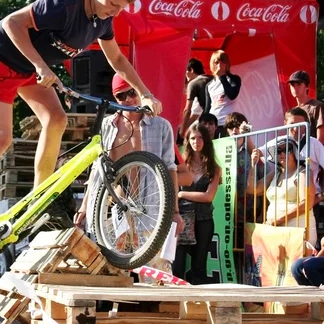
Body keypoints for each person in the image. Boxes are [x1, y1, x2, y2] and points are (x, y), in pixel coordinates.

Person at [0, 0, 162, 266]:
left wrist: (144, 92)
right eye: (113, 3)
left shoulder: (103, 20)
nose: (115, 11)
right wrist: (41, 65)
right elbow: (13, 23)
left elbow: (116, 58)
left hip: (26, 70)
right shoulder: (63, 2)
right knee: (0, 136)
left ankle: (41, 198)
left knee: (57, 119)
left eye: (122, 7)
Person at [74, 74, 184, 283]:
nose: (128, 99)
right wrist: (83, 207)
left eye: (132, 92)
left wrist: (175, 211)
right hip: (113, 207)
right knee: (112, 272)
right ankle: (116, 312)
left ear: (140, 91)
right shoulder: (108, 125)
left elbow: (170, 168)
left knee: (157, 272)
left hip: (151, 208)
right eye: (121, 96)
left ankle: (160, 312)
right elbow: (98, 170)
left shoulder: (161, 126)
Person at [173, 122, 221, 285]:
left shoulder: (215, 168)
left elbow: (208, 197)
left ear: (206, 140)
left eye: (200, 138)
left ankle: (197, 306)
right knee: (177, 265)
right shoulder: (180, 165)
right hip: (182, 219)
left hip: (204, 220)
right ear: (188, 141)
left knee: (199, 267)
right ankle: (174, 305)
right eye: (193, 138)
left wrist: (181, 193)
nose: (196, 141)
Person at [248, 138, 317, 245]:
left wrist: (278, 220)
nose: (282, 154)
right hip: (275, 232)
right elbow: (253, 189)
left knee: (296, 263)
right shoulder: (275, 173)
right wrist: (253, 165)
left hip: (298, 233)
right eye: (279, 151)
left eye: (287, 150)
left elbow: (306, 204)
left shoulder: (303, 173)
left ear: (295, 152)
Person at [204, 50, 242, 137]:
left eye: (222, 63)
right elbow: (207, 108)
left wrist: (222, 77)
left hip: (228, 124)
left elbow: (232, 95)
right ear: (212, 65)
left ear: (227, 64)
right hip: (213, 126)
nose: (219, 66)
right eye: (216, 63)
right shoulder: (209, 85)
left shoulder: (234, 79)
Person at [287, 70, 324, 146]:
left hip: (312, 154)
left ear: (307, 86)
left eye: (298, 84)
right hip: (296, 154)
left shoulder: (317, 106)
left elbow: (321, 139)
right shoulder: (292, 112)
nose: (295, 88)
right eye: (292, 85)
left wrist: (313, 153)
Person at [180, 58, 212, 139]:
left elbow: (189, 111)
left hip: (206, 123)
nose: (185, 76)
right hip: (219, 120)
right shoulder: (213, 79)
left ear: (191, 70)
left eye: (185, 72)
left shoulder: (193, 84)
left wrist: (181, 131)